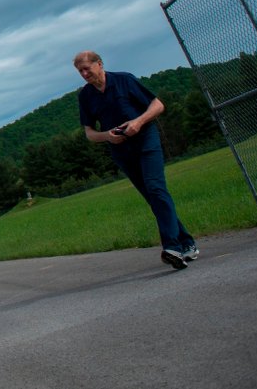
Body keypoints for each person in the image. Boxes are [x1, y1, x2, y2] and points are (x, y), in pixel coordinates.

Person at [74, 50, 198, 270]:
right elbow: (90, 133)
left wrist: (138, 122)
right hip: (121, 150)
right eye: (80, 71)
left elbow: (158, 105)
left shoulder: (124, 80)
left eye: (87, 68)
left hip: (145, 141)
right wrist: (107, 136)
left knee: (157, 189)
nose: (84, 74)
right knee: (153, 198)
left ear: (100, 64)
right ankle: (187, 243)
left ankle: (172, 248)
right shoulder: (85, 96)